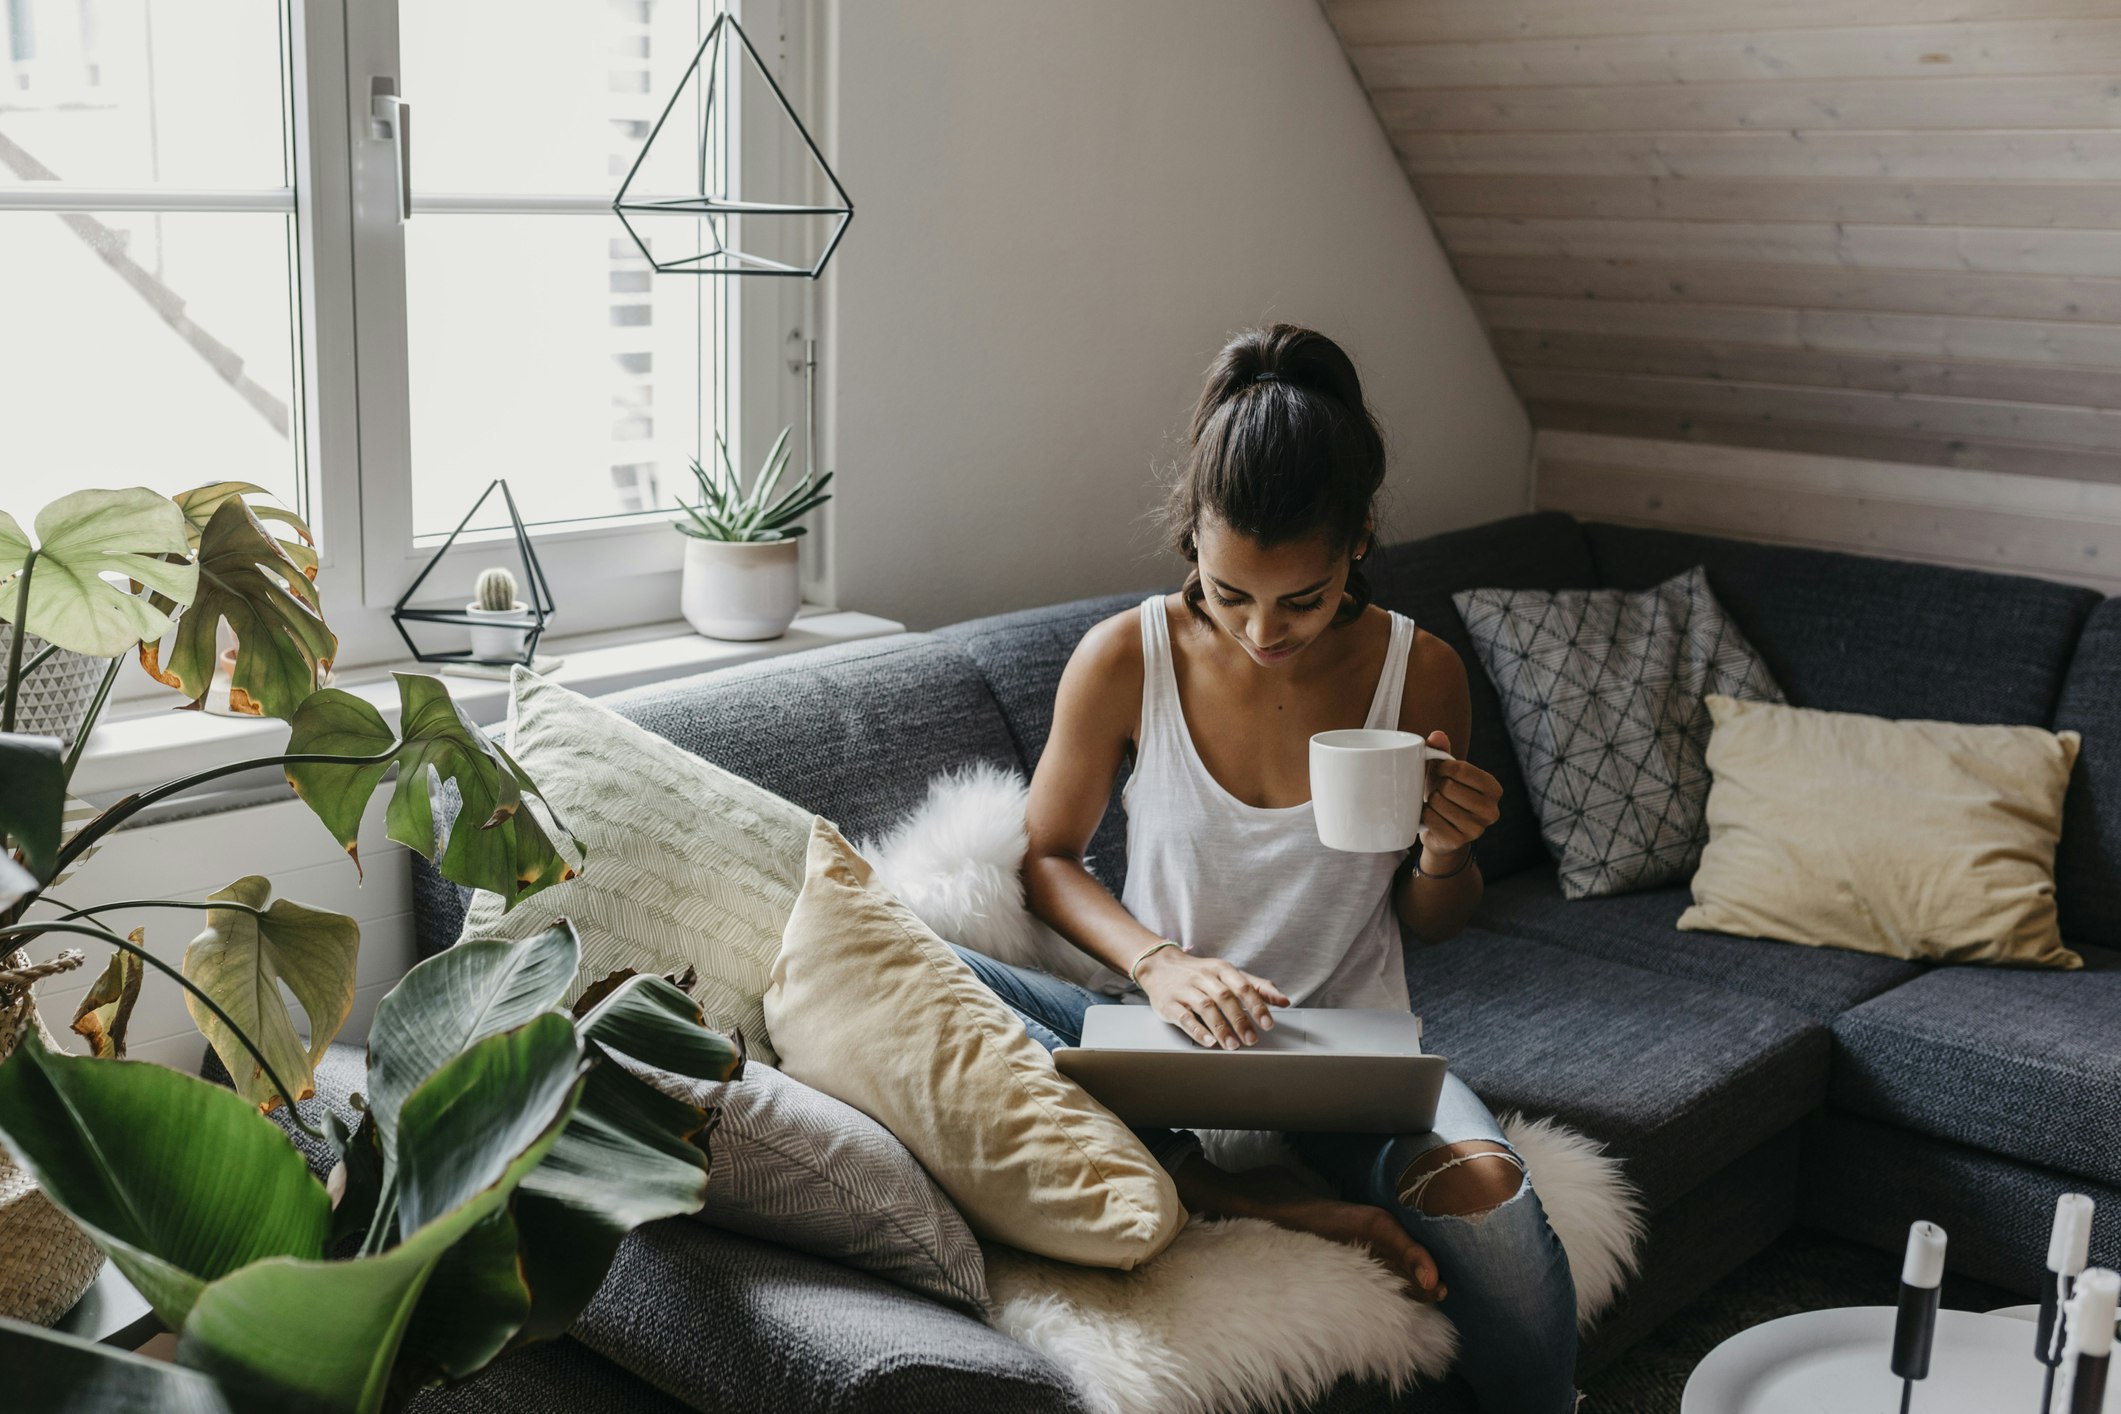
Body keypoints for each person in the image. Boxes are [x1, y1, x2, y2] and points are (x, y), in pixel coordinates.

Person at [953, 323, 1579, 1411]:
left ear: (1360, 544)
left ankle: (1279, 1195)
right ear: (1193, 536)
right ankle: (1231, 1188)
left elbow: (1437, 922)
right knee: (935, 967)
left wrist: (1443, 851)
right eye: (1230, 591)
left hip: (1349, 1064)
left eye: (1302, 597)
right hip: (1164, 1053)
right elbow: (1046, 858)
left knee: (1501, 1217)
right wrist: (1160, 963)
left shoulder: (1417, 672)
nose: (1260, 631)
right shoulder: (1125, 656)